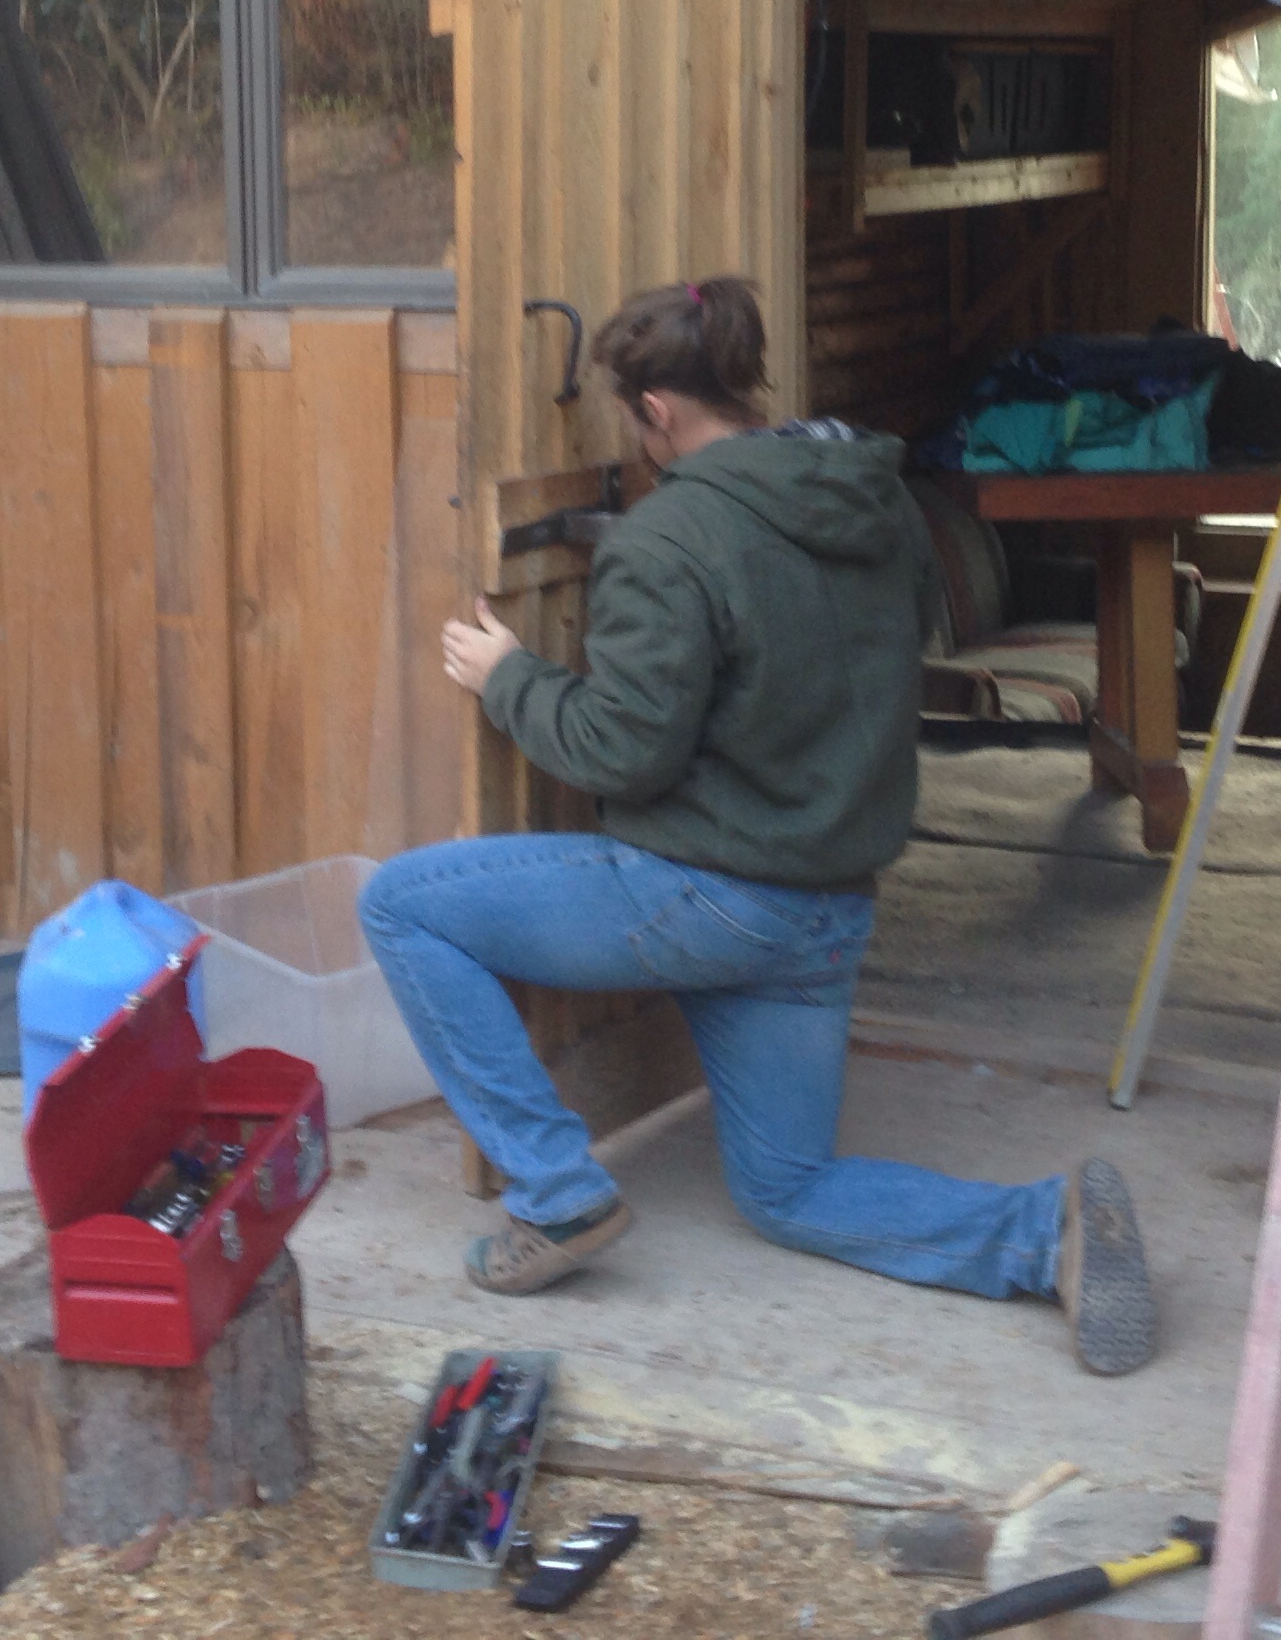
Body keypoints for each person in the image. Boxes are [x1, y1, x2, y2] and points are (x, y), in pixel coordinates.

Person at [357, 276, 1157, 1376]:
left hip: (708, 900)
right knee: (787, 1190)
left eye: (629, 421)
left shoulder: (669, 538)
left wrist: (511, 678)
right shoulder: (879, 500)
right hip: (827, 910)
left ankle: (555, 1191)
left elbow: (621, 750)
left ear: (656, 411)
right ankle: (1045, 1234)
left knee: (401, 907)